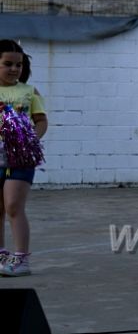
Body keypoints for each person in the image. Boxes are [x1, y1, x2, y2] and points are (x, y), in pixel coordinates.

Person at [0, 40, 48, 276]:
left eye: (18, 65)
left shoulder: (29, 92)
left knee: (13, 205)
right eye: (7, 64)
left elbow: (41, 120)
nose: (14, 69)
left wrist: (30, 139)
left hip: (20, 157)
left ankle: (21, 260)